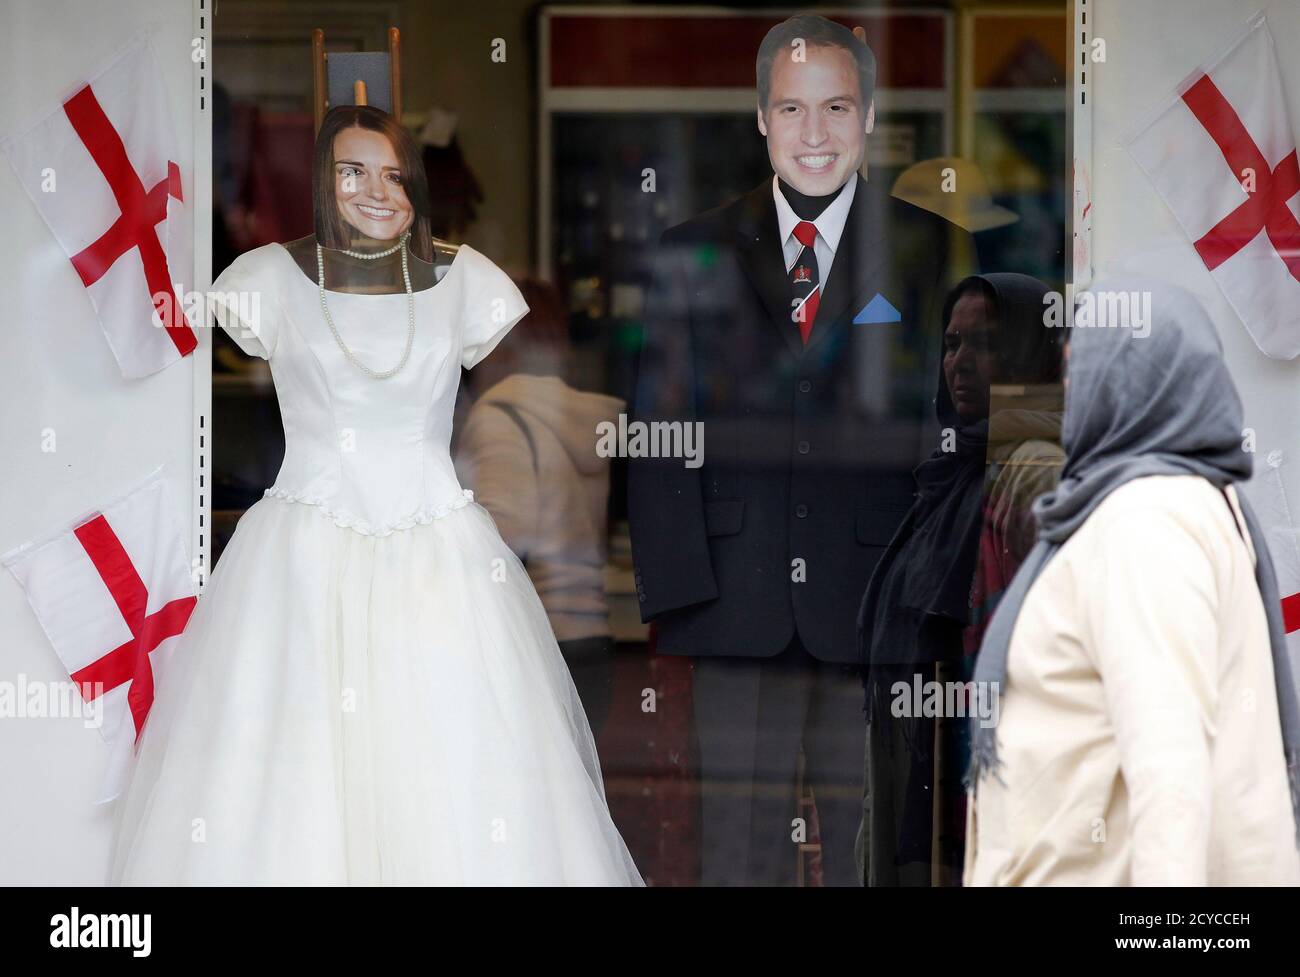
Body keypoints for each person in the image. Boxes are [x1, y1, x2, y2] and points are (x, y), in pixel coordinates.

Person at [109, 105, 643, 885]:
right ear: (321, 183)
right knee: (290, 776)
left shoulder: (469, 283)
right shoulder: (262, 281)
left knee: (450, 765)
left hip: (437, 553)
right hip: (303, 550)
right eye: (352, 171)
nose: (375, 190)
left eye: (394, 174)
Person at [627, 14, 971, 884]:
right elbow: (657, 436)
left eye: (835, 108)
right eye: (792, 110)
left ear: (867, 114)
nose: (814, 135)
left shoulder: (926, 248)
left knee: (877, 849)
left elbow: (949, 435)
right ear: (760, 118)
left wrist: (929, 597)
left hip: (874, 612)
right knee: (739, 857)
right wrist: (680, 598)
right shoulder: (690, 250)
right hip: (733, 607)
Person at [965, 276, 1300, 885]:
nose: (1068, 392)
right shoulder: (1181, 500)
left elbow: (1170, 772)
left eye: (1081, 370)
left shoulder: (1147, 520)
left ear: (1132, 382)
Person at [857, 274, 1062, 886]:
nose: (961, 363)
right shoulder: (949, 475)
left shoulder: (1036, 472)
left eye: (986, 343)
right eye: (951, 344)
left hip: (985, 793)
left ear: (1029, 349)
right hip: (926, 778)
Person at [455, 278, 625, 739]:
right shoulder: (591, 418)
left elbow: (505, 536)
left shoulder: (498, 416)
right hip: (593, 642)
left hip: (535, 645)